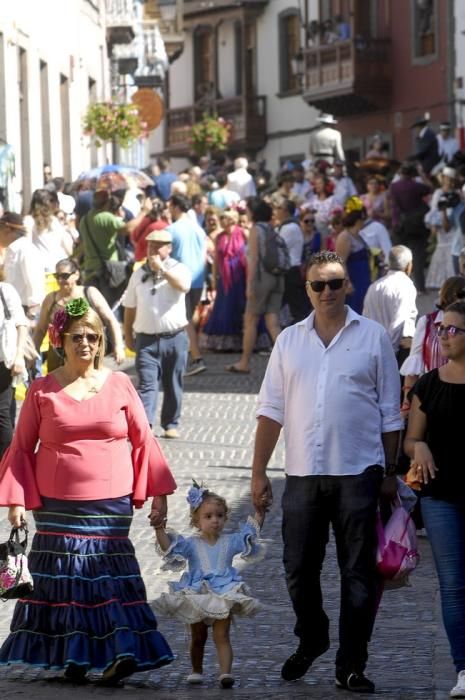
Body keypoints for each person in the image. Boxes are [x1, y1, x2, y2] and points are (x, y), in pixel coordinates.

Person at [0, 298, 176, 684]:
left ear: (101, 343)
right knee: (66, 580)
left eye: (93, 337)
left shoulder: (119, 384)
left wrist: (158, 492)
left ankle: (123, 649)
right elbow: (21, 446)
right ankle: (74, 656)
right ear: (60, 340)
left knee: (105, 577)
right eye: (77, 336)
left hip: (110, 505)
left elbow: (144, 440)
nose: (86, 344)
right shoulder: (42, 390)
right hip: (55, 505)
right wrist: (14, 499)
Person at [251, 250, 402, 693]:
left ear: (347, 286)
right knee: (297, 566)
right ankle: (312, 636)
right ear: (307, 289)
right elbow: (270, 410)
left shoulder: (373, 337)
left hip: (359, 470)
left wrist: (390, 472)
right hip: (301, 473)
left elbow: (390, 412)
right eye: (319, 284)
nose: (327, 292)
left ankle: (351, 663)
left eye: (335, 283)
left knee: (358, 572)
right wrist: (258, 472)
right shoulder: (289, 341)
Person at [404, 300, 465, 699]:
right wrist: (418, 448)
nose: (443, 335)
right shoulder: (428, 383)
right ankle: (463, 668)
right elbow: (411, 438)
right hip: (441, 499)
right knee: (454, 585)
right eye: (441, 329)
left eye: (453, 330)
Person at [153, 482, 264, 689]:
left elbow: (250, 535)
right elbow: (169, 548)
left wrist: (259, 512)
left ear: (225, 518)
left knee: (222, 636)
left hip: (223, 595)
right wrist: (159, 528)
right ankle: (196, 670)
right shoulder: (191, 544)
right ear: (196, 520)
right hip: (198, 596)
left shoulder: (230, 541)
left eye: (220, 516)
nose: (215, 521)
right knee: (198, 637)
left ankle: (225, 673)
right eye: (209, 516)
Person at [124, 229, 191, 439]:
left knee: (173, 383)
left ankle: (171, 423)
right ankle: (145, 424)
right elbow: (129, 306)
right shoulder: (138, 274)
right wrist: (127, 334)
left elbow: (183, 286)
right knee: (147, 384)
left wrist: (161, 269)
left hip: (175, 337)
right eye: (150, 245)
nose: (152, 249)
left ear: (169, 248)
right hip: (146, 340)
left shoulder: (179, 269)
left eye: (158, 245)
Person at [33, 257, 125, 370]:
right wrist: (34, 354)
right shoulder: (51, 299)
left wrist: (118, 347)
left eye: (65, 276)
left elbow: (111, 321)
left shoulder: (89, 293)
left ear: (76, 275)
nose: (60, 280)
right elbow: (41, 330)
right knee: (57, 387)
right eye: (57, 276)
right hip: (58, 358)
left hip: (86, 354)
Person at [225, 199, 283, 374]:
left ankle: (244, 362)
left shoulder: (256, 230)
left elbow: (254, 259)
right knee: (272, 321)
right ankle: (290, 359)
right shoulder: (272, 228)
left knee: (250, 320)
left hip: (261, 278)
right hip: (278, 277)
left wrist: (250, 285)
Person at [399, 275, 465, 415]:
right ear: (451, 295)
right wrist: (406, 402)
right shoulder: (427, 322)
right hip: (433, 392)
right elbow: (414, 363)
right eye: (461, 294)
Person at [79, 189, 151, 307]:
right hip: (108, 272)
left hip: (90, 270)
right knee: (110, 308)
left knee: (93, 308)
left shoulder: (84, 219)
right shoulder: (106, 217)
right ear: (107, 202)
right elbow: (127, 229)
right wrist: (144, 211)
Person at [167, 194, 208, 376]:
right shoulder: (198, 229)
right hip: (198, 278)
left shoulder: (171, 229)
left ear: (176, 207)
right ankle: (188, 354)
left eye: (170, 206)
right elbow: (204, 255)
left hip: (181, 277)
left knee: (184, 319)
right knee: (188, 318)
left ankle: (196, 357)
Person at [203, 208, 248, 351]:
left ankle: (243, 341)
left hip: (241, 277)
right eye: (222, 218)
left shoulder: (243, 233)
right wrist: (214, 278)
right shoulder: (219, 236)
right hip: (225, 278)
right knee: (224, 308)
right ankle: (225, 343)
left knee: (240, 307)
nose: (222, 221)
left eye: (225, 218)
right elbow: (216, 259)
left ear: (233, 219)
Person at [363, 245, 417, 362]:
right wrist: (390, 352)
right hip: (397, 351)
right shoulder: (406, 285)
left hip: (373, 348)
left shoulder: (374, 286)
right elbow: (399, 323)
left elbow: (365, 320)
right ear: (408, 265)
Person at [390, 162, 432, 293]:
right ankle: (420, 287)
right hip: (416, 225)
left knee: (400, 257)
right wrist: (421, 174)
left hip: (399, 225)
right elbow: (431, 188)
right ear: (412, 174)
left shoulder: (394, 186)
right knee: (418, 256)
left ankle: (400, 288)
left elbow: (394, 205)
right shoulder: (416, 186)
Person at [0, 282, 28, 456]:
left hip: (4, 363)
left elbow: (21, 325)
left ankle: (6, 465)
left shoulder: (5, 290)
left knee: (2, 416)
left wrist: (19, 355)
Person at [0, 212, 45, 320]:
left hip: (26, 312)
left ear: (7, 231)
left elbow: (35, 284)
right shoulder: (11, 250)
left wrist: (33, 313)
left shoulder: (26, 250)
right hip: (12, 310)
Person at [274, 199, 309, 323]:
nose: (275, 211)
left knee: (296, 310)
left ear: (285, 211)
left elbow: (277, 248)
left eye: (278, 208)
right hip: (287, 272)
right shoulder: (284, 227)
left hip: (291, 272)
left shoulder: (290, 228)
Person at [336, 197, 372, 314]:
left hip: (364, 278)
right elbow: (341, 261)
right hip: (354, 278)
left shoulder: (359, 235)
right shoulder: (345, 237)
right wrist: (347, 282)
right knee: (355, 308)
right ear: (359, 218)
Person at [24, 189, 72, 272]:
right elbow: (66, 244)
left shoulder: (28, 220)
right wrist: (72, 260)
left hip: (41, 267)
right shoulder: (54, 220)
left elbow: (26, 245)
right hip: (59, 266)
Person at [130, 198, 167, 262]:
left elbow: (133, 238)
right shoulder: (165, 225)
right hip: (155, 261)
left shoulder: (143, 221)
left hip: (141, 259)